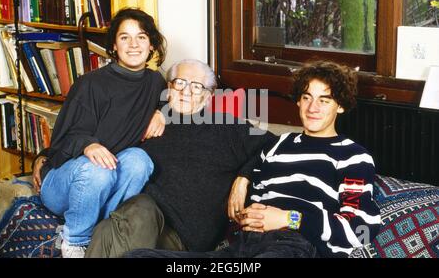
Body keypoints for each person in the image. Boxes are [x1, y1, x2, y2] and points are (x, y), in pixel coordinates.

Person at [125, 61, 382, 258]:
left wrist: (289, 218)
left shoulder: (352, 156)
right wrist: (242, 178)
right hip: (244, 248)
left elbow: (362, 228)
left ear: (341, 106)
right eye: (306, 97)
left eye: (324, 100)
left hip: (294, 246)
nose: (312, 107)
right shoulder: (276, 145)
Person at [79, 59, 275, 257]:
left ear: (208, 95)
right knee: (108, 228)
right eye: (180, 82)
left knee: (138, 212)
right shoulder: (147, 123)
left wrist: (244, 177)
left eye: (197, 86)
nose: (186, 91)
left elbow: (274, 144)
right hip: (134, 221)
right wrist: (49, 157)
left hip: (181, 240)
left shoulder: (227, 127)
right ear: (169, 87)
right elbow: (97, 139)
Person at [31, 7, 168, 258]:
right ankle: (75, 241)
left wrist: (163, 112)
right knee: (97, 168)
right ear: (114, 46)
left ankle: (103, 224)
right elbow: (63, 137)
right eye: (125, 37)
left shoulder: (155, 82)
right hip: (65, 180)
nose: (134, 44)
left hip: (108, 179)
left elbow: (185, 98)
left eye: (141, 37)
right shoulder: (90, 83)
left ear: (151, 45)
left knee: (140, 160)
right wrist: (88, 145)